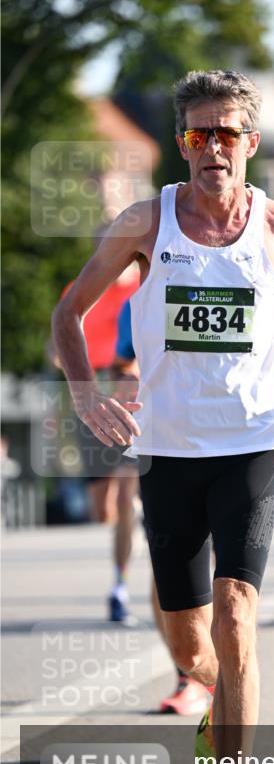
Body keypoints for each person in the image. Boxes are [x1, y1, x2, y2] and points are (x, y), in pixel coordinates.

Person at [52, 70, 274, 764]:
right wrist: (87, 397)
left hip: (256, 446)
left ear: (251, 144)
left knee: (237, 615)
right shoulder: (146, 221)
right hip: (169, 452)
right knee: (194, 648)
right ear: (183, 140)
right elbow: (68, 313)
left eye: (227, 133)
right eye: (198, 133)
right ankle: (215, 705)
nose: (212, 147)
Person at [115, 299, 212, 716]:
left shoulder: (244, 266)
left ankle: (225, 674)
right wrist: (125, 385)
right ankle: (192, 674)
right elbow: (124, 362)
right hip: (166, 444)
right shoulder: (136, 301)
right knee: (171, 571)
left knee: (230, 584)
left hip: (239, 441)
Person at [52, 261, 140, 622]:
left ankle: (120, 586)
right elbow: (56, 341)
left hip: (132, 391)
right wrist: (62, 361)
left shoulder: (149, 282)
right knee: (102, 509)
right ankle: (137, 514)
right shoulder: (81, 286)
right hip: (91, 391)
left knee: (124, 498)